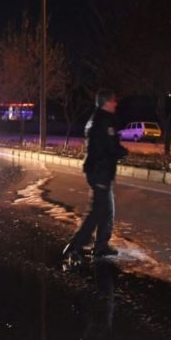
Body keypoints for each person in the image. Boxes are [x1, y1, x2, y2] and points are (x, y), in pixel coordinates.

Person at [62, 88, 128, 261]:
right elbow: (106, 147)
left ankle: (101, 246)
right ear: (106, 102)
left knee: (106, 211)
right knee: (97, 211)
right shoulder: (103, 121)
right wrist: (121, 151)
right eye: (113, 100)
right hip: (100, 171)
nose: (116, 103)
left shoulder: (98, 119)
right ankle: (75, 246)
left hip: (100, 170)